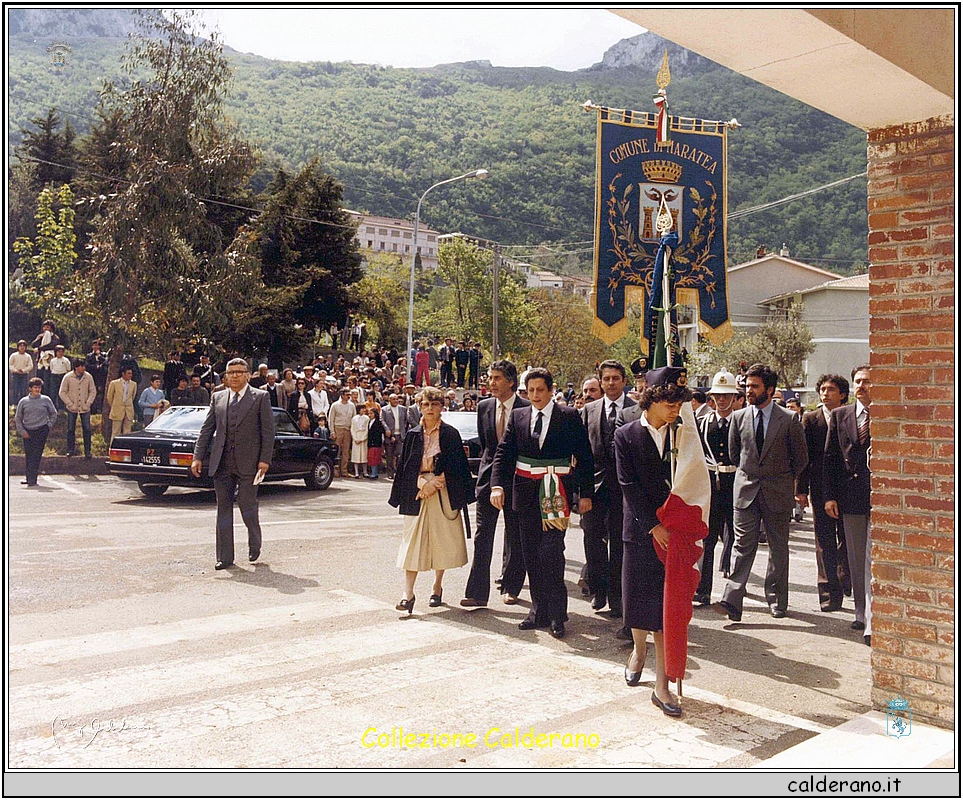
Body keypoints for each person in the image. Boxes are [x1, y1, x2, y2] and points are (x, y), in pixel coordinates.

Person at [491, 367, 594, 639]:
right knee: (530, 554)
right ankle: (539, 612)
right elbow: (503, 454)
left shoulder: (569, 416)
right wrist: (497, 485)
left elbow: (584, 456)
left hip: (556, 494)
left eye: (540, 390)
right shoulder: (519, 415)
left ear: (551, 390)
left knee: (551, 554)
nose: (535, 395)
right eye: (531, 390)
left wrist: (585, 494)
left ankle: (558, 614)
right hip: (524, 495)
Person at [615, 366, 692, 717]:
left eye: (680, 403)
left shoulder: (683, 435)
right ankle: (638, 650)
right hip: (641, 530)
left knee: (665, 610)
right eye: (670, 403)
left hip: (675, 533)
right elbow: (628, 485)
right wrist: (651, 525)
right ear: (652, 399)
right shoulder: (627, 435)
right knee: (639, 604)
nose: (676, 409)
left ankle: (662, 686)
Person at [713, 364, 808, 622]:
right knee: (742, 546)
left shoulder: (788, 420)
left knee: (778, 548)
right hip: (745, 492)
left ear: (770, 389)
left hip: (777, 493)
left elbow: (800, 459)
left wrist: (782, 479)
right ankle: (732, 601)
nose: (748, 390)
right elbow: (736, 455)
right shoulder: (738, 417)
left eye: (754, 386)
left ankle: (777, 600)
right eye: (747, 386)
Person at [389, 386, 475, 614]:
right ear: (419, 407)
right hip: (417, 492)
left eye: (434, 404)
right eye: (425, 404)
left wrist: (435, 483)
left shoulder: (450, 434)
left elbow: (458, 466)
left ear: (441, 408)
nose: (429, 408)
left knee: (442, 542)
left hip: (443, 490)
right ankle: (408, 594)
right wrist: (422, 485)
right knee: (412, 544)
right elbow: (405, 468)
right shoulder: (413, 434)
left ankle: (437, 587)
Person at [192, 358, 275, 570]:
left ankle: (254, 542)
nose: (235, 376)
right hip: (222, 463)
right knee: (223, 509)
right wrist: (197, 456)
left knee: (247, 505)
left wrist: (264, 460)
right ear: (226, 376)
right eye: (231, 373)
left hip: (250, 464)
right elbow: (207, 429)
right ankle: (225, 557)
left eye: (239, 372)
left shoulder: (260, 397)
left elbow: (268, 432)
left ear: (248, 375)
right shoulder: (217, 397)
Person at [462, 360, 530, 609]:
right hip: (489, 480)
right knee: (483, 536)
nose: (491, 383)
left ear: (511, 382)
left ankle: (511, 586)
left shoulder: (525, 407)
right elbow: (488, 446)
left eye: (497, 378)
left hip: (517, 480)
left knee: (515, 535)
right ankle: (477, 592)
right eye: (490, 378)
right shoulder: (484, 407)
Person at [580, 359, 636, 623]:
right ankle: (598, 589)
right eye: (606, 379)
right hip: (593, 487)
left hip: (624, 489)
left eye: (616, 378)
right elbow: (580, 454)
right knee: (592, 539)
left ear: (624, 381)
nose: (611, 383)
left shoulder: (637, 410)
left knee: (619, 543)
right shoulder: (588, 410)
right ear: (600, 382)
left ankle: (617, 596)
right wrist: (582, 491)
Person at [824, 365, 873, 645]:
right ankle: (860, 613)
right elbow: (829, 458)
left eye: (867, 381)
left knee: (872, 560)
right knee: (855, 558)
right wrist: (829, 496)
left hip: (878, 497)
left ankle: (873, 614)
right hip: (850, 498)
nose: (862, 386)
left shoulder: (885, 414)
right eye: (858, 382)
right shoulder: (841, 415)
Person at [796, 374, 852, 612]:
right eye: (823, 389)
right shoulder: (811, 419)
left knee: (848, 540)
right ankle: (828, 593)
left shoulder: (850, 417)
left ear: (842, 394)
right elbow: (804, 457)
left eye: (831, 389)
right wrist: (801, 490)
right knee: (824, 541)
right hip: (820, 488)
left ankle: (844, 576)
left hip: (848, 487)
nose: (826, 393)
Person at [693, 370, 740, 605]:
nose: (722, 400)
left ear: (734, 397)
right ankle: (703, 589)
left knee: (737, 538)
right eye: (718, 396)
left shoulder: (742, 421)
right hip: (711, 485)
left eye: (727, 395)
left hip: (735, 484)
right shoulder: (702, 423)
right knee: (707, 539)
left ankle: (733, 593)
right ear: (711, 397)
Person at [16, 377, 58, 486]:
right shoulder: (23, 401)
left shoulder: (46, 400)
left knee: (36, 455)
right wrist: (22, 431)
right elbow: (18, 418)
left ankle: (32, 479)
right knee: (29, 455)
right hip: (27, 431)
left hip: (41, 430)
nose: (37, 389)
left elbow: (53, 413)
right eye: (35, 387)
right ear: (30, 388)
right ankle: (29, 477)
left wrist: (49, 425)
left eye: (39, 387)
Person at [59, 360, 97, 458]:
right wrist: (70, 404)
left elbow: (92, 391)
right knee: (71, 429)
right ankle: (70, 450)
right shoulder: (67, 377)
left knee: (87, 429)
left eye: (84, 366)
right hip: (72, 407)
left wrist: (88, 404)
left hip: (85, 408)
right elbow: (62, 392)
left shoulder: (88, 377)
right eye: (81, 366)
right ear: (76, 367)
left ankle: (87, 451)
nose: (83, 368)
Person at [105, 367, 137, 446]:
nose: (130, 375)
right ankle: (113, 448)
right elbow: (109, 397)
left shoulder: (133, 384)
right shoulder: (114, 383)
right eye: (128, 373)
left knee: (127, 431)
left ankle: (126, 448)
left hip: (128, 410)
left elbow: (133, 396)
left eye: (131, 373)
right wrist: (115, 406)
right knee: (116, 431)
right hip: (117, 409)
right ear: (123, 374)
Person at [381, 393, 410, 479]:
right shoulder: (384, 410)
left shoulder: (403, 409)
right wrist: (387, 429)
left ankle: (398, 472)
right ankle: (390, 473)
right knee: (389, 455)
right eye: (393, 399)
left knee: (399, 454)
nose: (396, 401)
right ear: (389, 400)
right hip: (390, 435)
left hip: (400, 435)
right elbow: (382, 420)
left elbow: (405, 420)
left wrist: (403, 430)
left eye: (397, 399)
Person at [329, 388, 356, 478]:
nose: (348, 396)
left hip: (348, 429)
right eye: (347, 394)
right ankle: (335, 470)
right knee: (337, 450)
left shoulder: (352, 405)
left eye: (349, 394)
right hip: (338, 428)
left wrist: (353, 431)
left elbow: (354, 418)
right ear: (342, 395)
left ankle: (344, 471)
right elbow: (331, 419)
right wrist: (332, 431)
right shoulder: (335, 405)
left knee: (346, 451)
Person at [85, 340, 109, 415]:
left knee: (101, 393)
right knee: (92, 393)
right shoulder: (89, 356)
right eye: (94, 345)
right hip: (92, 376)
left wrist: (99, 357)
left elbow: (106, 363)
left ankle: (100, 409)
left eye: (97, 345)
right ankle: (92, 410)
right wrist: (96, 367)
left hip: (101, 377)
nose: (96, 347)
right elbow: (87, 366)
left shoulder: (103, 355)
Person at [9, 339, 33, 404]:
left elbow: (30, 366)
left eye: (23, 346)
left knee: (23, 390)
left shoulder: (28, 356)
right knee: (15, 390)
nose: (22, 347)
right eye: (20, 346)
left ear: (26, 347)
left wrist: (23, 370)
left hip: (24, 375)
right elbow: (10, 365)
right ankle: (15, 404)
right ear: (18, 347)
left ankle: (23, 404)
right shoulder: (13, 355)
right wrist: (16, 370)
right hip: (15, 375)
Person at [48, 344, 72, 410]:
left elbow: (68, 369)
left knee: (62, 392)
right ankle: (53, 408)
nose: (60, 353)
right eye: (59, 352)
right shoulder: (52, 360)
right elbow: (51, 369)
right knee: (53, 392)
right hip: (54, 376)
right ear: (56, 352)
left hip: (62, 376)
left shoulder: (66, 360)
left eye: (62, 351)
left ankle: (62, 408)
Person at [366, 405, 386, 479]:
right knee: (371, 458)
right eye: (369, 413)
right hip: (370, 442)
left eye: (371, 413)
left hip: (376, 443)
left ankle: (374, 473)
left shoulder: (378, 422)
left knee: (374, 458)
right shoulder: (369, 422)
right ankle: (373, 472)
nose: (370, 415)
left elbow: (381, 432)